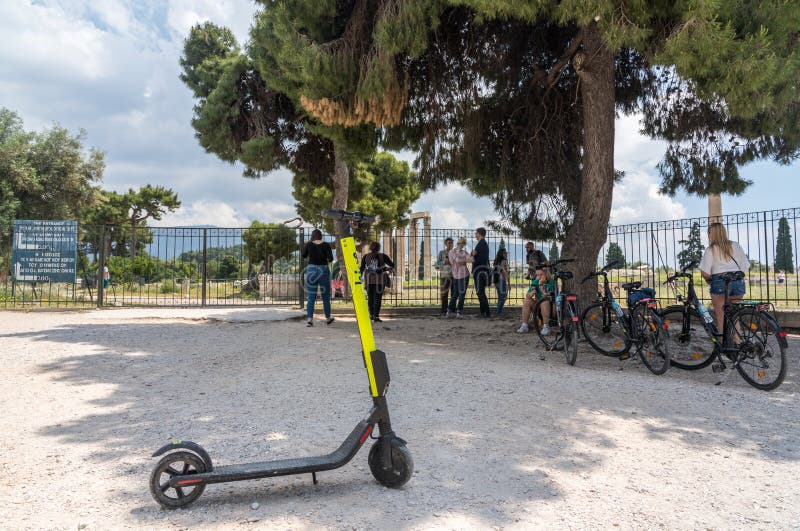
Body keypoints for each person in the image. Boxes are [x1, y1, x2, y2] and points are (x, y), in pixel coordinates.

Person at [699, 222, 749, 330]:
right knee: (734, 317)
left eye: (708, 233)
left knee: (721, 318)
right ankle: (738, 343)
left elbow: (705, 273)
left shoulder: (711, 249)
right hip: (738, 282)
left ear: (711, 234)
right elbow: (745, 267)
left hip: (720, 283)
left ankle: (722, 345)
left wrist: (709, 280)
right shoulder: (736, 245)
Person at [301, 229, 335, 327]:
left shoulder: (309, 244)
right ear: (321, 236)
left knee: (311, 296)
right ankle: (328, 318)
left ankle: (310, 319)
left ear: (312, 236)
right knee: (325, 296)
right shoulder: (326, 245)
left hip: (311, 270)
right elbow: (331, 259)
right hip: (323, 270)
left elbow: (303, 256)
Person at [360, 241, 395, 322]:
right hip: (380, 280)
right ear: (379, 248)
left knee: (370, 298)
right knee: (377, 298)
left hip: (369, 280)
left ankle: (371, 315)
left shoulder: (365, 256)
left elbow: (361, 268)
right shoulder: (383, 256)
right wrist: (386, 269)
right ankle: (376, 316)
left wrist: (359, 277)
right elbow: (392, 265)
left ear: (370, 248)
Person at [516, 267, 555, 334]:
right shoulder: (535, 282)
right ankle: (524, 325)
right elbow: (527, 295)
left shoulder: (552, 282)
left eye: (541, 274)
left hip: (551, 309)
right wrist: (531, 294)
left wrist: (540, 285)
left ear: (546, 274)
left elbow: (546, 295)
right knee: (526, 300)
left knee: (544, 301)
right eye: (537, 275)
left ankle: (546, 327)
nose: (539, 277)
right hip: (538, 308)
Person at [447, 237, 473, 318]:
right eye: (461, 243)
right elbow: (458, 260)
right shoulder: (454, 252)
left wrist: (464, 259)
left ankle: (449, 311)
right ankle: (458, 312)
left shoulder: (455, 252)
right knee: (460, 294)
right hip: (461, 274)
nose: (461, 245)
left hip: (458, 274)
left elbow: (472, 259)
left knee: (457, 294)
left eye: (462, 243)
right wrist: (465, 260)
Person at [471, 227, 491, 317]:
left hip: (479, 271)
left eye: (476, 233)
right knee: (480, 292)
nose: (475, 235)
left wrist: (472, 253)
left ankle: (486, 312)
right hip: (481, 271)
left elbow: (474, 254)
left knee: (480, 292)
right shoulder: (482, 243)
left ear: (479, 234)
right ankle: (483, 312)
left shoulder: (481, 243)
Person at [435, 237, 454, 316]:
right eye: (449, 243)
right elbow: (436, 265)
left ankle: (452, 311)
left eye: (452, 242)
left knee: (454, 295)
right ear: (445, 244)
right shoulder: (441, 253)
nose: (450, 244)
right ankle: (444, 311)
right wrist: (444, 262)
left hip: (454, 276)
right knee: (444, 294)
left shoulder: (455, 253)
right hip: (444, 276)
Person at [492, 247, 510, 316]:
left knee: (501, 297)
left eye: (506, 252)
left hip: (496, 281)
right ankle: (499, 312)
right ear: (501, 254)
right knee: (503, 297)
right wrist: (508, 283)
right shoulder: (504, 261)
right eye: (505, 253)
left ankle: (499, 311)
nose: (506, 254)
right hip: (502, 281)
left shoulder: (496, 261)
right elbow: (505, 272)